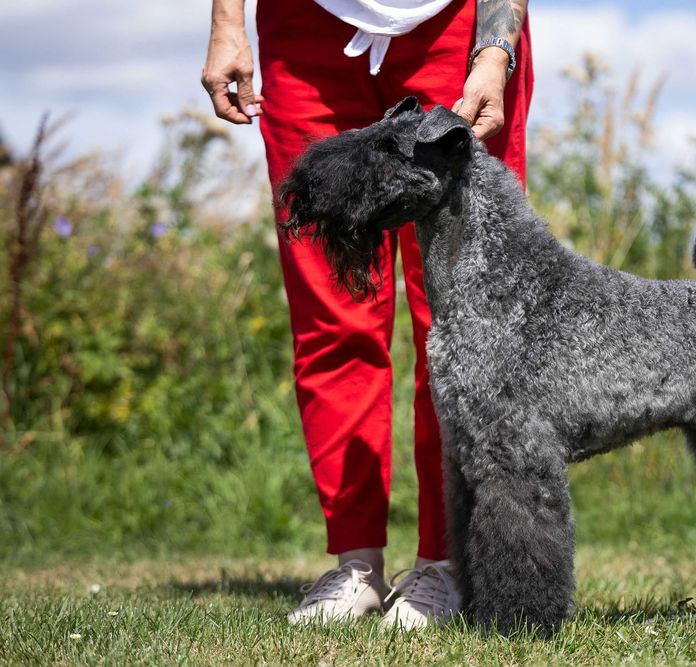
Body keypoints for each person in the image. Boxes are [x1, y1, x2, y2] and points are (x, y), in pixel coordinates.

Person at [201, 0, 532, 629]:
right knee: (330, 310)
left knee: (464, 319)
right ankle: (356, 568)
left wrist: (496, 51)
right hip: (307, 32)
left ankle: (445, 563)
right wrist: (226, 24)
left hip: (454, 27)